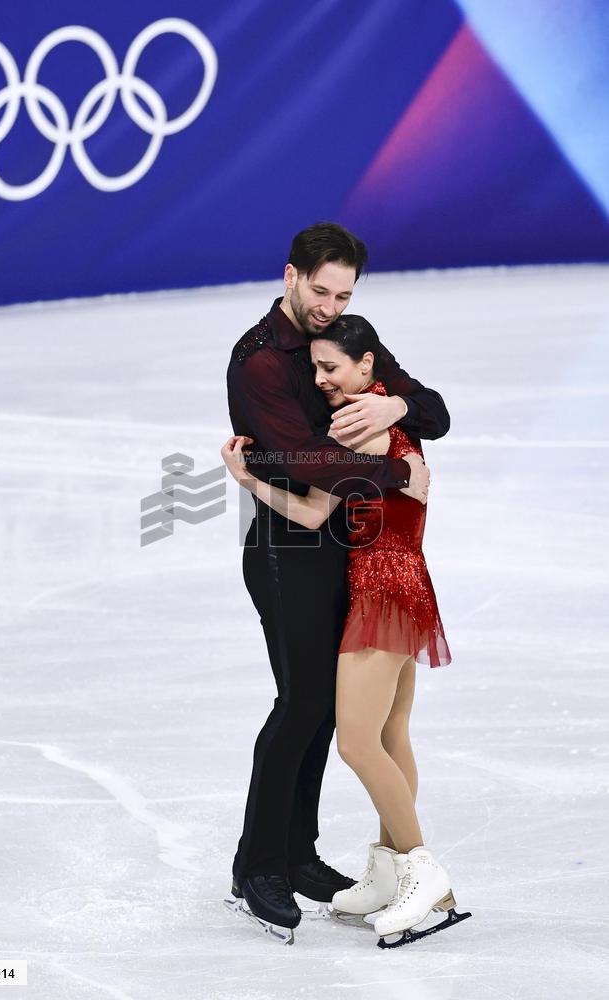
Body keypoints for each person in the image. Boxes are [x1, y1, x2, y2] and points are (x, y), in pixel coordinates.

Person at [224, 222, 450, 945]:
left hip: (350, 555)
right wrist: (396, 470)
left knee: (330, 712)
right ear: (290, 275)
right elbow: (306, 462)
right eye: (320, 291)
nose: (328, 306)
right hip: (289, 549)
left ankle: (298, 852)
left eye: (343, 295)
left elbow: (436, 412)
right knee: (301, 706)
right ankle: (258, 865)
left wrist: (395, 406)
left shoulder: (348, 340)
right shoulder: (260, 362)